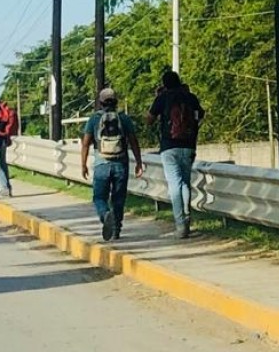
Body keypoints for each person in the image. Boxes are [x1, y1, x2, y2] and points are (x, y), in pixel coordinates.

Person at [147, 71, 205, 239]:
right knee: (185, 182)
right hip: (189, 146)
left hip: (169, 146)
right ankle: (187, 219)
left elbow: (149, 120)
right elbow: (201, 115)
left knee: (174, 185)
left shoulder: (162, 98)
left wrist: (157, 99)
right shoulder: (190, 97)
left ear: (164, 84)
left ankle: (180, 225)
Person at [81, 87, 144, 241]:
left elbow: (86, 143)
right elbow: (133, 141)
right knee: (118, 198)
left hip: (102, 163)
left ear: (100, 102)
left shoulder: (94, 119)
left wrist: (83, 164)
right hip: (121, 163)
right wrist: (138, 161)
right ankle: (116, 229)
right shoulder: (124, 118)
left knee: (99, 197)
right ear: (116, 102)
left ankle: (104, 214)